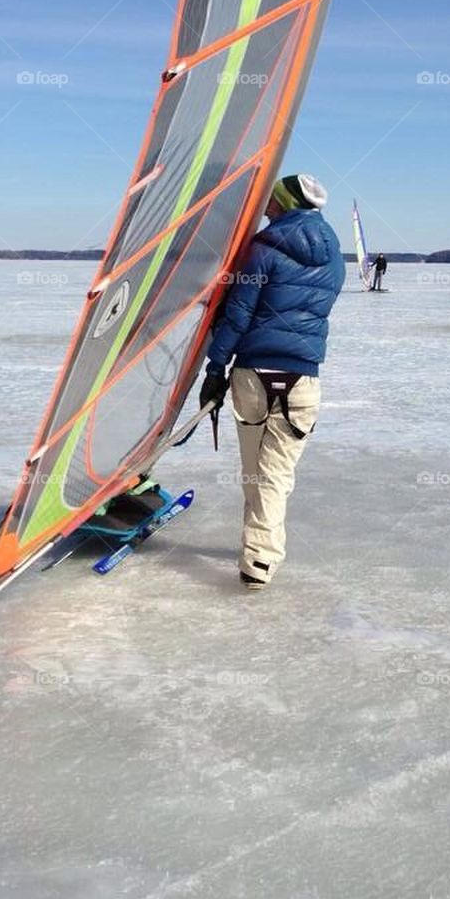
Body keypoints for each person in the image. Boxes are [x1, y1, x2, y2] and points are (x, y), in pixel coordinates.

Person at [197, 173, 345, 589]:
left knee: (258, 472)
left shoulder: (262, 250)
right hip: (301, 378)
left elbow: (239, 315)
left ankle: (258, 562)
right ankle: (259, 545)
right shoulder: (335, 257)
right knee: (273, 472)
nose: (264, 208)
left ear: (284, 204)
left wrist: (214, 369)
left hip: (253, 375)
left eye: (271, 202)